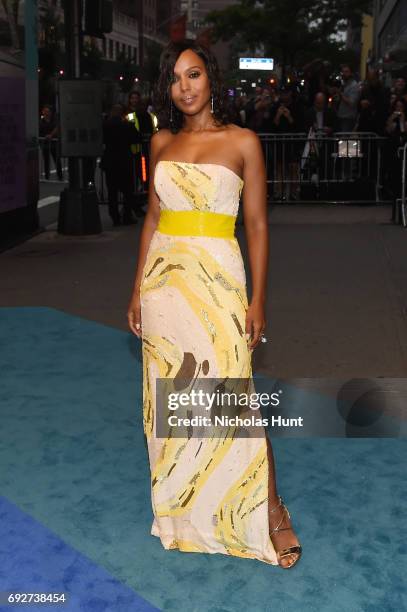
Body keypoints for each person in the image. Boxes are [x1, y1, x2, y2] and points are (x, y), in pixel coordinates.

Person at [127, 39, 302, 569]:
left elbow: (257, 225)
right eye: (176, 78)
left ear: (211, 80)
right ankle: (186, 511)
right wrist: (137, 287)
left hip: (220, 278)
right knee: (175, 398)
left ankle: (269, 510)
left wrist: (259, 298)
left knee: (232, 392)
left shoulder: (243, 141)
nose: (185, 86)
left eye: (195, 74)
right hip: (165, 283)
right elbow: (153, 220)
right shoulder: (159, 142)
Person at [101, 103, 141, 226]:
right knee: (127, 190)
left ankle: (115, 217)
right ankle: (127, 216)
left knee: (112, 191)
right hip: (125, 161)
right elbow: (137, 138)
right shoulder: (127, 126)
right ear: (122, 114)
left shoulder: (105, 126)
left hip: (110, 161)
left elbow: (102, 140)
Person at [39, 105, 63, 181]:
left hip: (54, 143)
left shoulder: (54, 120)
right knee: (46, 161)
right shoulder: (41, 121)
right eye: (45, 111)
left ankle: (60, 176)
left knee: (57, 160)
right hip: (45, 144)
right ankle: (47, 177)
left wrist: (51, 135)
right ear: (42, 112)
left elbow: (57, 127)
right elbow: (39, 131)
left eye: (48, 111)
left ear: (51, 112)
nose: (46, 113)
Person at [334, 64, 360, 132]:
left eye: (346, 72)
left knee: (344, 139)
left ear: (351, 73)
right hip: (341, 115)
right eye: (343, 72)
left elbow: (352, 103)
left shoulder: (354, 86)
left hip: (348, 118)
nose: (344, 74)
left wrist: (340, 94)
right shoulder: (344, 84)